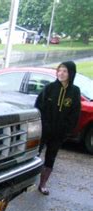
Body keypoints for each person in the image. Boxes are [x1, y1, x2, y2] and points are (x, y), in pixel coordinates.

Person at [35, 61, 81, 195]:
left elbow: (75, 113)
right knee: (35, 154)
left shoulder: (75, 91)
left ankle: (42, 184)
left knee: (51, 157)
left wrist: (66, 130)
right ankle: (26, 181)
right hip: (44, 130)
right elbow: (38, 107)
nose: (61, 73)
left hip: (59, 133)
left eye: (65, 71)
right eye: (59, 70)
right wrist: (43, 125)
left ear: (71, 73)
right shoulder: (49, 88)